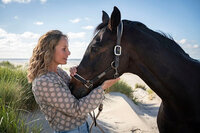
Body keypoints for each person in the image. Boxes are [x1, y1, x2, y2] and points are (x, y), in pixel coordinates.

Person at [27, 30, 119, 133]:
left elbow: (73, 95)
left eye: (68, 48)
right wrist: (102, 88)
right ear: (50, 50)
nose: (69, 53)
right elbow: (76, 109)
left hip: (83, 126)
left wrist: (75, 78)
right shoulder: (43, 82)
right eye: (64, 49)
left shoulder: (59, 72)